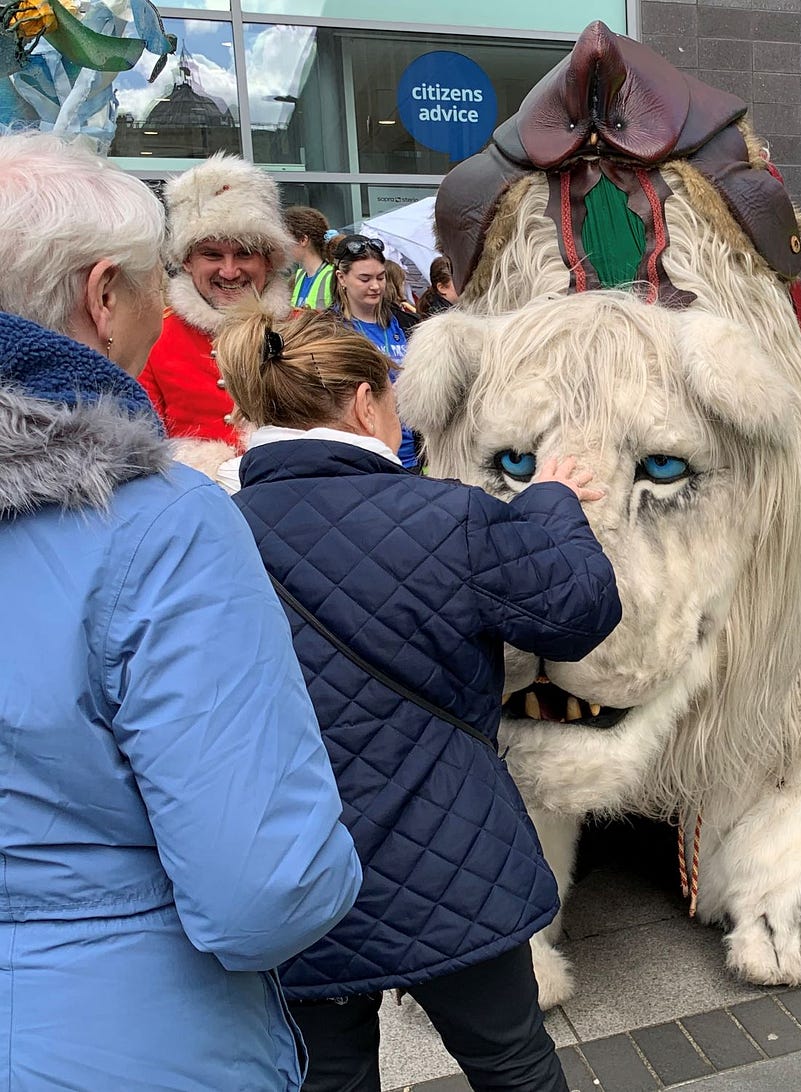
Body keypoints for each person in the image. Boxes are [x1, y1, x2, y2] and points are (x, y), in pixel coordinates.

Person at [0, 132, 361, 1089]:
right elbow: (264, 892)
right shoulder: (157, 518)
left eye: (247, 252)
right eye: (204, 256)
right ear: (105, 296)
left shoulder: (292, 327)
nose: (227, 271)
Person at [213, 306, 622, 1092]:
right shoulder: (450, 515)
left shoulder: (205, 533)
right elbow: (576, 613)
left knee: (327, 1077)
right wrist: (550, 506)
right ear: (366, 402)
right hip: (452, 862)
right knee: (512, 1064)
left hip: (294, 871)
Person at [139, 153, 294, 447]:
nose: (229, 271)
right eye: (212, 255)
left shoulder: (308, 330)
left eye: (244, 254)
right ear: (186, 261)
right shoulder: (153, 338)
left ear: (269, 260)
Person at [331, 234, 423, 469]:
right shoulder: (328, 330)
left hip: (411, 456)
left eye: (380, 277)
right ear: (342, 278)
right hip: (361, 457)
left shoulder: (407, 322)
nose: (375, 286)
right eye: (365, 279)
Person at [286, 205, 336, 310]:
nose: (284, 245)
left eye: (286, 238)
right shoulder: (298, 277)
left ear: (303, 240)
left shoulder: (334, 276)